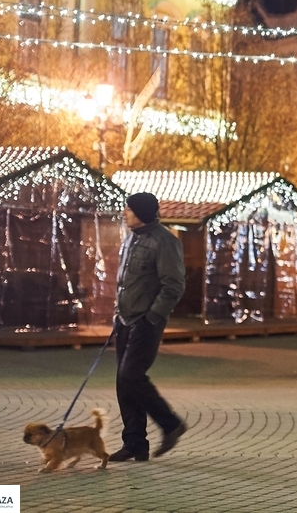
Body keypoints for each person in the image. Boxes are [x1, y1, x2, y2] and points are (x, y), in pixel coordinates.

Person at [110, 192, 187, 463]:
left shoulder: (165, 241)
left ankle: (170, 424)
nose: (124, 213)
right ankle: (134, 444)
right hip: (124, 320)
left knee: (131, 376)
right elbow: (125, 282)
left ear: (141, 212)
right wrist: (118, 313)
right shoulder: (132, 237)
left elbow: (174, 285)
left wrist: (152, 317)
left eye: (128, 209)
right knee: (124, 382)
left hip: (145, 322)